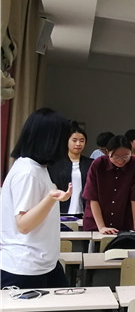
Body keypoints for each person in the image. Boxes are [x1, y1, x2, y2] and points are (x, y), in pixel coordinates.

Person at [1, 108, 73, 288]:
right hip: (24, 267)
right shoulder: (28, 172)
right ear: (50, 140)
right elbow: (23, 224)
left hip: (44, 262)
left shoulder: (38, 168)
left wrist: (53, 197)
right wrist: (50, 199)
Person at [82, 135, 135, 234]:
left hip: (123, 223)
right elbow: (93, 198)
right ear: (107, 152)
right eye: (116, 156)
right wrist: (102, 227)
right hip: (96, 224)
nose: (121, 160)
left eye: (126, 156)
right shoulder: (98, 164)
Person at [48, 123, 92, 215]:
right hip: (60, 212)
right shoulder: (55, 164)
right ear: (67, 141)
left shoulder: (91, 164)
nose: (78, 144)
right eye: (74, 140)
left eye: (82, 141)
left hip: (84, 212)